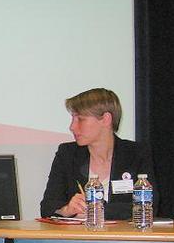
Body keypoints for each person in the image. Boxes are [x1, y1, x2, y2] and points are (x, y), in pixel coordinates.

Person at [40, 88, 158, 220]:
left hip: (124, 238)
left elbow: (148, 206)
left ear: (106, 119)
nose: (72, 126)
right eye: (73, 119)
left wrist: (96, 209)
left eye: (80, 119)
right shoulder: (67, 154)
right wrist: (66, 210)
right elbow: (47, 207)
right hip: (78, 238)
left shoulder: (136, 153)